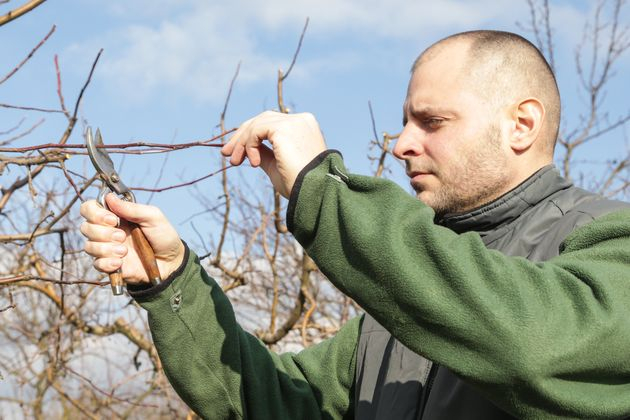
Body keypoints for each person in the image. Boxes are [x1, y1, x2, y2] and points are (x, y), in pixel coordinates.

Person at [80, 30, 630, 419]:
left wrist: (322, 188)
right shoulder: (399, 309)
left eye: (431, 121)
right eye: (404, 122)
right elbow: (276, 403)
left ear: (522, 125)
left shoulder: (610, 243)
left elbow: (530, 345)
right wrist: (172, 280)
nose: (402, 145)